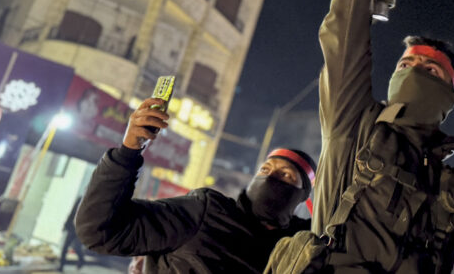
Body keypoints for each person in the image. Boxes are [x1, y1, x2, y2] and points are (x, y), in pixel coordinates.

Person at [265, 0, 454, 273]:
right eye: (406, 64)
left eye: (430, 69)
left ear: (450, 95)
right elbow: (346, 30)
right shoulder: (355, 120)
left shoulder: (448, 186)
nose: (414, 71)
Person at [75, 97, 315, 273]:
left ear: (302, 195)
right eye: (265, 170)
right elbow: (98, 230)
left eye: (286, 175)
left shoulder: (299, 247)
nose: (271, 178)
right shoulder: (205, 211)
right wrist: (128, 152)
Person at [57, 197, 86, 271]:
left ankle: (81, 259)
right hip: (72, 228)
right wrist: (65, 225)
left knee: (76, 247)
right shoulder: (79, 199)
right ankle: (61, 266)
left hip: (81, 229)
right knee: (65, 247)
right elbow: (72, 212)